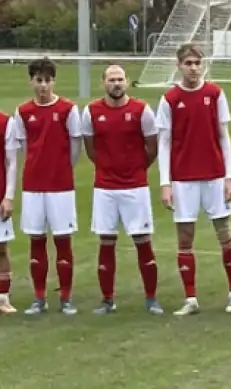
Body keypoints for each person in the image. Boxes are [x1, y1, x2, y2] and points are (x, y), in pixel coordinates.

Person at [156, 42, 231, 315]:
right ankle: (190, 298)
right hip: (183, 179)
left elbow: (224, 137)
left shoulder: (215, 94)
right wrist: (165, 183)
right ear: (179, 65)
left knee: (225, 235)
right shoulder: (169, 99)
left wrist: (229, 177)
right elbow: (164, 143)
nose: (193, 68)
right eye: (188, 63)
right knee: (185, 238)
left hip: (215, 176)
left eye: (197, 63)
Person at [81, 64, 162, 315]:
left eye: (120, 79)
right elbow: (90, 148)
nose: (116, 84)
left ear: (126, 82)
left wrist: (136, 169)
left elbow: (152, 148)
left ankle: (151, 298)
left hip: (135, 186)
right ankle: (108, 300)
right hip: (105, 188)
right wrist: (107, 168)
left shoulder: (142, 110)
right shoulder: (91, 111)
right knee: (106, 241)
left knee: (142, 240)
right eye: (111, 80)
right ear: (103, 83)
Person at [7, 58, 82, 315]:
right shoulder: (23, 112)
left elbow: (75, 148)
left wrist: (61, 170)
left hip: (61, 186)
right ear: (31, 82)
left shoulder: (68, 110)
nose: (43, 86)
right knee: (36, 240)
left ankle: (66, 297)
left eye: (48, 80)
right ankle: (39, 298)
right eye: (39, 80)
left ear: (54, 81)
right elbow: (25, 148)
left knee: (63, 240)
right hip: (33, 187)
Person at [0, 105, 17, 314]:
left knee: (1, 249)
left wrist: (9, 196)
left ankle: (3, 297)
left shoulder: (6, 122)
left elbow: (12, 162)